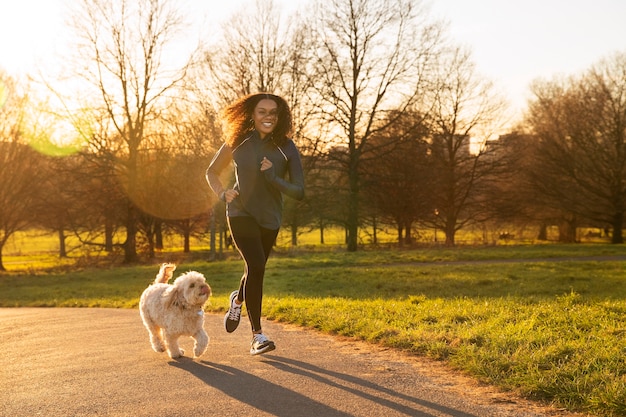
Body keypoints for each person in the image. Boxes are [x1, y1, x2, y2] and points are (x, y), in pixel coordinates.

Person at [206, 93, 305, 355]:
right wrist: (222, 193)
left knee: (255, 269)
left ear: (280, 116)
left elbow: (299, 191)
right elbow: (212, 171)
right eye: (262, 111)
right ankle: (257, 336)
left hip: (270, 217)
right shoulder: (238, 141)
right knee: (257, 265)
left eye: (273, 112)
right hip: (240, 212)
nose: (268, 117)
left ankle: (237, 299)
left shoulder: (286, 147)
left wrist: (272, 177)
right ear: (252, 114)